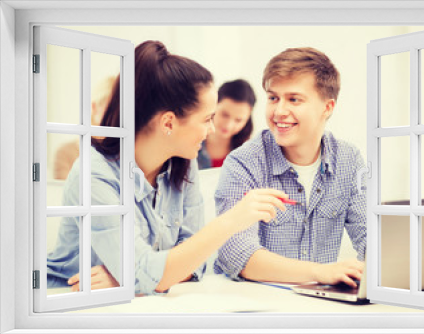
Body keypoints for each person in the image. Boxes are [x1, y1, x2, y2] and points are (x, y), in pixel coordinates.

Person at [47, 40, 288, 294]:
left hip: (139, 302)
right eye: (207, 119)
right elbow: (148, 271)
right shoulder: (94, 174)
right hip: (67, 299)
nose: (212, 129)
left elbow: (197, 264)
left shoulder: (183, 163)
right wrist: (229, 222)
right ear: (169, 123)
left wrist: (130, 277)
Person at [214, 47, 366, 287]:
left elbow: (371, 239)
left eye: (294, 99)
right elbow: (237, 255)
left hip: (321, 306)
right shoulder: (243, 162)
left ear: (327, 108)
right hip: (255, 305)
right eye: (273, 98)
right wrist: (320, 272)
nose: (279, 111)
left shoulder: (349, 160)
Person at [53, 76, 115, 180]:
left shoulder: (126, 152)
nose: (116, 115)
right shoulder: (66, 153)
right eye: (110, 108)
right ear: (95, 107)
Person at [197, 79, 255, 169]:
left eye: (238, 120)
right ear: (214, 105)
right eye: (224, 115)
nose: (229, 125)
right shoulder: (189, 142)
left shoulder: (250, 154)